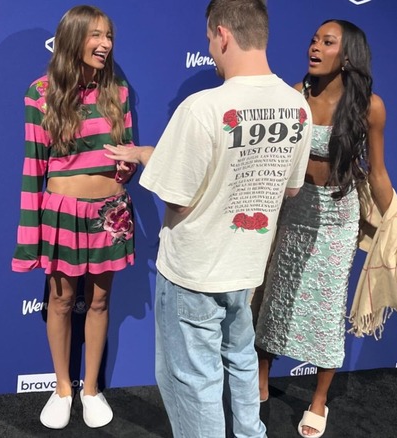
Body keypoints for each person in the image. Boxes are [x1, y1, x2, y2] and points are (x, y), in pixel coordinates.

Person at [104, 1, 313, 435]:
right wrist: (149, 154)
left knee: (192, 383)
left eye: (210, 43)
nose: (212, 53)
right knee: (239, 359)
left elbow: (178, 200)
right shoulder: (298, 107)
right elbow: (290, 189)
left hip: (194, 274)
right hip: (247, 267)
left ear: (222, 35)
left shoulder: (202, 108)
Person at [251, 19, 393, 438]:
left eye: (327, 42)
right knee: (275, 295)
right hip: (292, 213)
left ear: (347, 56)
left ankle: (318, 400)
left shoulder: (370, 107)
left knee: (328, 309)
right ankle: (260, 379)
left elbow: (379, 174)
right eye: (313, 39)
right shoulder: (292, 97)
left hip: (337, 217)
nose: (315, 47)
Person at [10, 5, 138, 430]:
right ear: (73, 37)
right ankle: (63, 387)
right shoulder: (39, 93)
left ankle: (90, 389)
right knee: (62, 301)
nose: (105, 44)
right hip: (62, 211)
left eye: (109, 37)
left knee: (100, 301)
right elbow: (33, 170)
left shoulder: (116, 89)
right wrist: (30, 238)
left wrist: (127, 167)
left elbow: (128, 151)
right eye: (96, 36)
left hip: (111, 212)